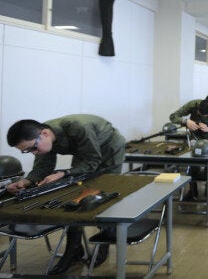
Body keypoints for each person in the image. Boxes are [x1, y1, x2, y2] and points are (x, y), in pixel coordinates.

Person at [6, 114, 126, 274]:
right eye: (27, 151)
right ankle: (74, 247)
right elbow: (43, 168)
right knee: (75, 192)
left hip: (110, 148)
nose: (33, 153)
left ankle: (104, 241)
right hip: (86, 152)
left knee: (105, 194)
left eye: (33, 148)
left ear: (45, 134)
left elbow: (92, 162)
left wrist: (64, 172)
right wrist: (26, 181)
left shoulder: (79, 128)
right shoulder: (41, 137)